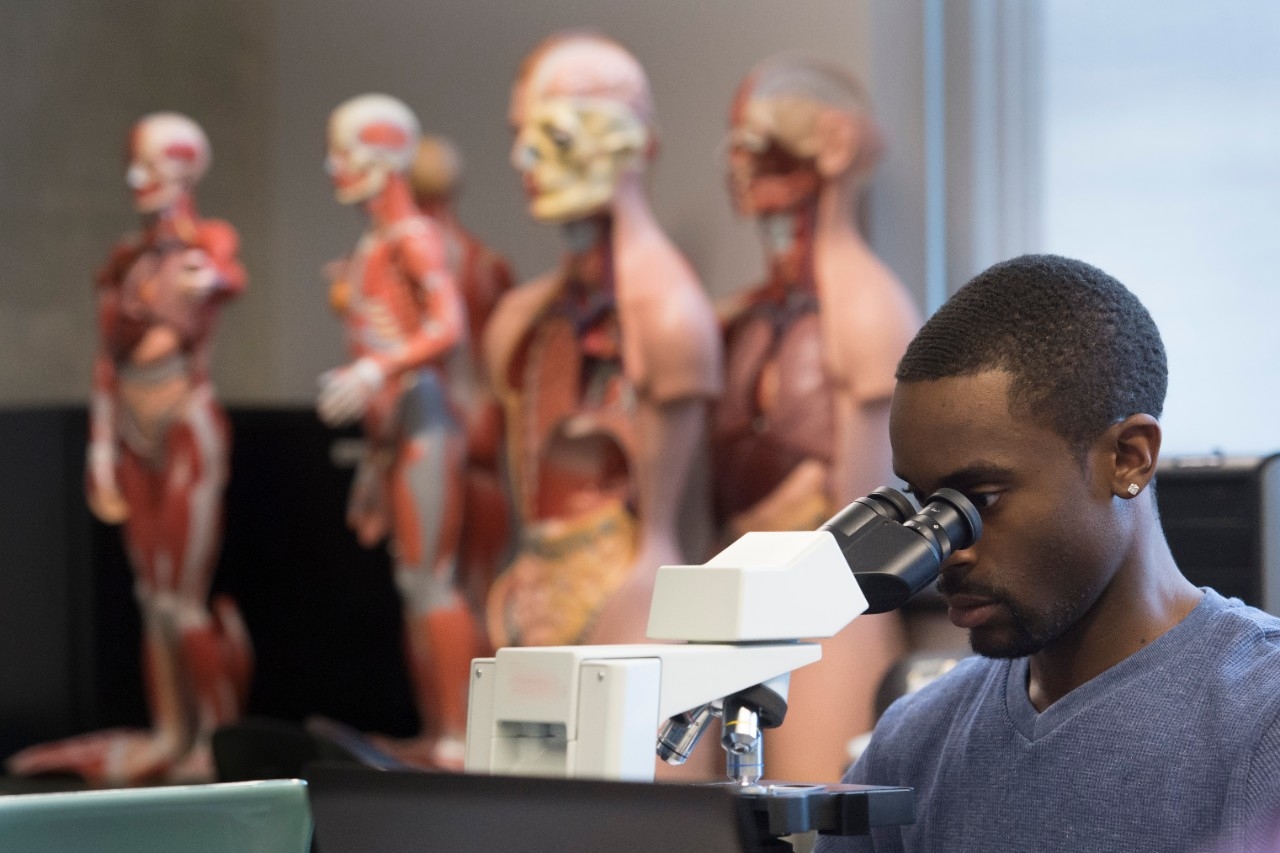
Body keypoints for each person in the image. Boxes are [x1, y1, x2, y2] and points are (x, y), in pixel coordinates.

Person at [816, 254, 1280, 852]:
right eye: (926, 502)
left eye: (980, 498)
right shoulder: (913, 744)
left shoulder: (1261, 724)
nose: (947, 551)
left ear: (1129, 458)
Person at [5, 112, 251, 784]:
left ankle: (219, 738)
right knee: (150, 594)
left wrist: (202, 274)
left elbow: (226, 279)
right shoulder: (127, 258)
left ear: (185, 170)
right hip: (131, 426)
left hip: (185, 418)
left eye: (156, 167)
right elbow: (106, 362)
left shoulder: (206, 247)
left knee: (183, 596)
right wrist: (98, 450)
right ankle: (172, 730)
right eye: (135, 166)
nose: (140, 180)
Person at [714, 54, 919, 783]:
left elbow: (867, 516)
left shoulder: (864, 308)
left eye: (765, 152)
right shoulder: (745, 316)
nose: (744, 175)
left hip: (824, 612)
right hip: (731, 601)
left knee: (804, 819)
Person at [483, 32, 723, 652]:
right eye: (520, 133)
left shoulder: (666, 314)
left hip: (632, 595)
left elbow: (673, 532)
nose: (520, 160)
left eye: (549, 137)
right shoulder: (526, 316)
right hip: (534, 587)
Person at [318, 94, 482, 770]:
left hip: (425, 421)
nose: (333, 167)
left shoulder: (412, 236)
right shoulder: (374, 242)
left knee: (432, 580)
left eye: (347, 152)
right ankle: (435, 729)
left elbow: (449, 325)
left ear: (386, 158)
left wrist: (376, 366)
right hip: (396, 430)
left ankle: (461, 735)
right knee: (412, 582)